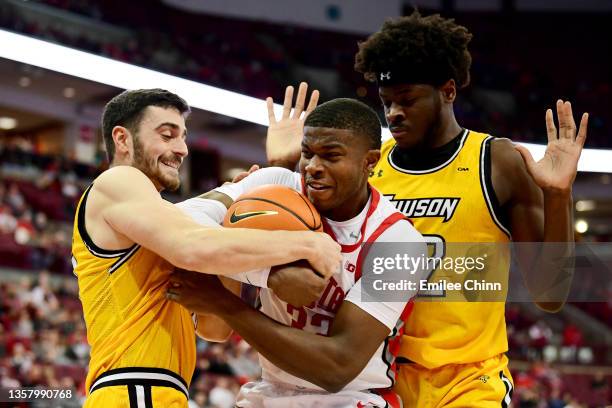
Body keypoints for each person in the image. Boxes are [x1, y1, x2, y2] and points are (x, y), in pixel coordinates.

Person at [266, 12, 589, 407]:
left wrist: (557, 195)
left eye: (407, 99)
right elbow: (296, 233)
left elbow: (549, 295)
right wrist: (280, 170)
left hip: (468, 381)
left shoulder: (496, 161)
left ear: (448, 90)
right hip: (377, 379)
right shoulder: (369, 166)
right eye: (387, 102)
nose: (394, 113)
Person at [72, 88, 341, 408]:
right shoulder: (117, 182)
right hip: (135, 387)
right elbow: (192, 246)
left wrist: (252, 202)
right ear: (122, 139)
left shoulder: (156, 220)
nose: (182, 148)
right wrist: (307, 243)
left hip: (155, 389)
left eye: (183, 136)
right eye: (167, 135)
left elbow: (215, 328)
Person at [166, 98, 428, 407]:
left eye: (331, 156)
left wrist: (223, 304)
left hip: (349, 398)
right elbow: (176, 221)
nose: (314, 168)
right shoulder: (276, 181)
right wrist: (270, 274)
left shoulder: (399, 242)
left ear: (369, 161)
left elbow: (337, 367)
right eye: (307, 154)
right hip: (268, 390)